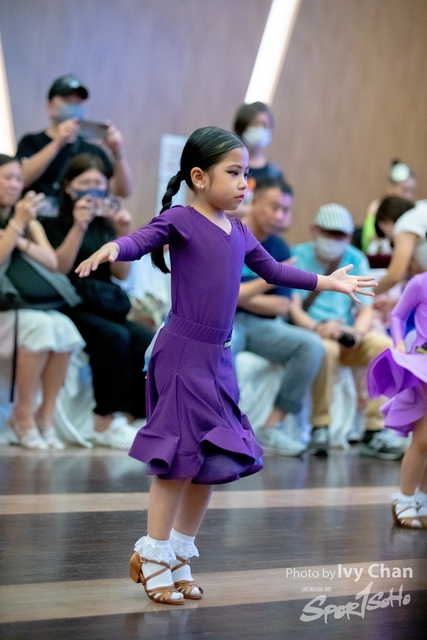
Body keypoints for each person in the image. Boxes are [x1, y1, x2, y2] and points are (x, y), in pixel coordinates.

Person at [75, 126, 375, 605]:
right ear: (199, 176)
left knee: (213, 461)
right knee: (177, 462)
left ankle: (177, 554)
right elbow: (143, 238)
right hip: (181, 356)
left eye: (246, 174)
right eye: (233, 173)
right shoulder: (181, 219)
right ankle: (152, 557)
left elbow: (275, 271)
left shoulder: (239, 230)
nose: (243, 184)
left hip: (218, 360)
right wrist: (115, 247)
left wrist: (328, 281)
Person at [40, 153, 154, 450]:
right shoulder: (53, 222)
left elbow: (120, 273)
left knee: (146, 340)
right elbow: (60, 268)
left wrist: (122, 234)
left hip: (104, 301)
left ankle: (133, 418)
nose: (92, 190)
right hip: (69, 301)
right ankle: (105, 421)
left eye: (99, 183)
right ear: (68, 186)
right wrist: (79, 225)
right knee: (114, 337)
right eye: (84, 183)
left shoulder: (105, 223)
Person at [290, 203, 403, 459]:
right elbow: (293, 308)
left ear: (349, 236)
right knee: (324, 349)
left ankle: (375, 430)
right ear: (313, 230)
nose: (333, 240)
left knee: (384, 347)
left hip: (347, 332)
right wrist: (318, 328)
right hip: (312, 332)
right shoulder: (298, 257)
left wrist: (358, 334)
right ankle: (320, 426)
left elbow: (365, 309)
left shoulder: (356, 259)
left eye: (340, 235)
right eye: (328, 233)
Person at [232, 177, 324, 455]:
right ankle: (224, 428)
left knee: (311, 346)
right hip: (225, 321)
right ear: (254, 202)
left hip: (263, 327)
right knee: (221, 347)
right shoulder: (227, 235)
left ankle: (272, 427)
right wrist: (266, 282)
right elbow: (216, 295)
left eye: (285, 210)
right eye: (274, 207)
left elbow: (282, 306)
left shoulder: (280, 249)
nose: (279, 216)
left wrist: (237, 294)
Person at [0, 154, 84, 450]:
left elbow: (52, 262)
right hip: (4, 309)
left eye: (18, 179)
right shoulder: (20, 219)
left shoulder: (27, 219)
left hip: (24, 307)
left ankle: (44, 416)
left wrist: (22, 235)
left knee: (65, 328)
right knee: (40, 327)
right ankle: (21, 415)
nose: (15, 184)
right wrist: (16, 225)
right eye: (7, 178)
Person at [16, 74, 132, 207]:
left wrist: (118, 152)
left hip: (81, 216)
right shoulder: (31, 142)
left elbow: (123, 192)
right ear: (50, 107)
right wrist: (58, 142)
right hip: (39, 215)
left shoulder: (92, 150)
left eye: (77, 102)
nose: (73, 107)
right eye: (67, 101)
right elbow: (22, 180)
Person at [368, 272, 427, 528]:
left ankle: (422, 499)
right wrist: (399, 343)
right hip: (422, 366)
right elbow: (398, 315)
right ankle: (404, 498)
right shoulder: (421, 282)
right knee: (423, 439)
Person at [232, 101, 285, 217]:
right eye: (255, 124)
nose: (260, 129)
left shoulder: (274, 173)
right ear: (242, 127)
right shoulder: (229, 164)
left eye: (265, 125)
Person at [361, 159, 417, 254]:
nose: (409, 196)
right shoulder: (376, 207)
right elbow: (367, 242)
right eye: (405, 190)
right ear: (390, 187)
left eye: (412, 191)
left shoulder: (414, 210)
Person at [374, 196, 427, 295]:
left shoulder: (404, 223)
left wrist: (367, 294)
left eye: (385, 233)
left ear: (386, 221)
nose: (390, 239)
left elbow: (394, 276)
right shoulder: (421, 208)